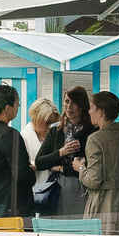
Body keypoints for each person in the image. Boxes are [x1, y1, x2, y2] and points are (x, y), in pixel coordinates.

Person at [0, 84, 36, 220]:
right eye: (17, 104)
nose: (18, 108)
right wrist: (32, 172)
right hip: (10, 210)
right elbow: (23, 176)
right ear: (7, 108)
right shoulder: (11, 135)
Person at [76, 91, 119, 235]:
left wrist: (80, 167)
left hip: (103, 205)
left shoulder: (95, 139)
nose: (88, 111)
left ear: (101, 111)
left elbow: (93, 180)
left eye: (91, 107)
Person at [35, 86, 90, 218]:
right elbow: (39, 162)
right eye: (66, 101)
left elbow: (89, 166)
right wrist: (61, 152)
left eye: (74, 103)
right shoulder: (56, 130)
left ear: (82, 105)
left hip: (81, 187)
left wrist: (61, 168)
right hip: (57, 187)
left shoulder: (91, 130)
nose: (69, 106)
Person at [23, 98, 60, 215]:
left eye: (52, 123)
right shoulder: (24, 137)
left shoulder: (52, 135)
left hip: (52, 190)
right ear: (37, 118)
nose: (50, 127)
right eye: (47, 123)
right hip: (36, 191)